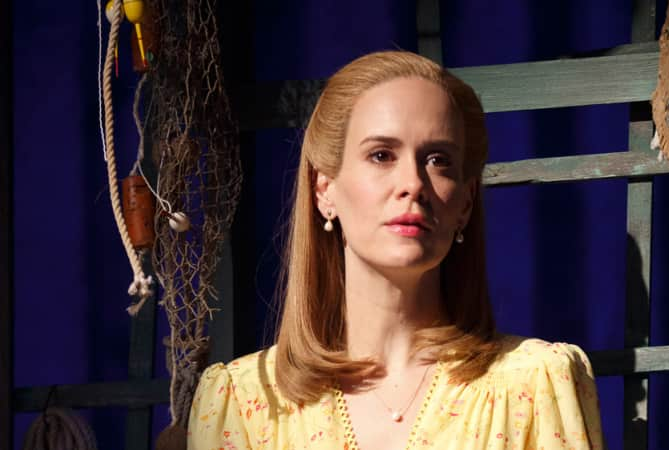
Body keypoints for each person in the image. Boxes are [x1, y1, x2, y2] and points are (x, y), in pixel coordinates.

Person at [187, 50, 605, 450]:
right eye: (382, 155)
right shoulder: (242, 403)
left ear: (465, 203)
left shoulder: (533, 385)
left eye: (438, 160)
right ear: (324, 190)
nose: (413, 183)